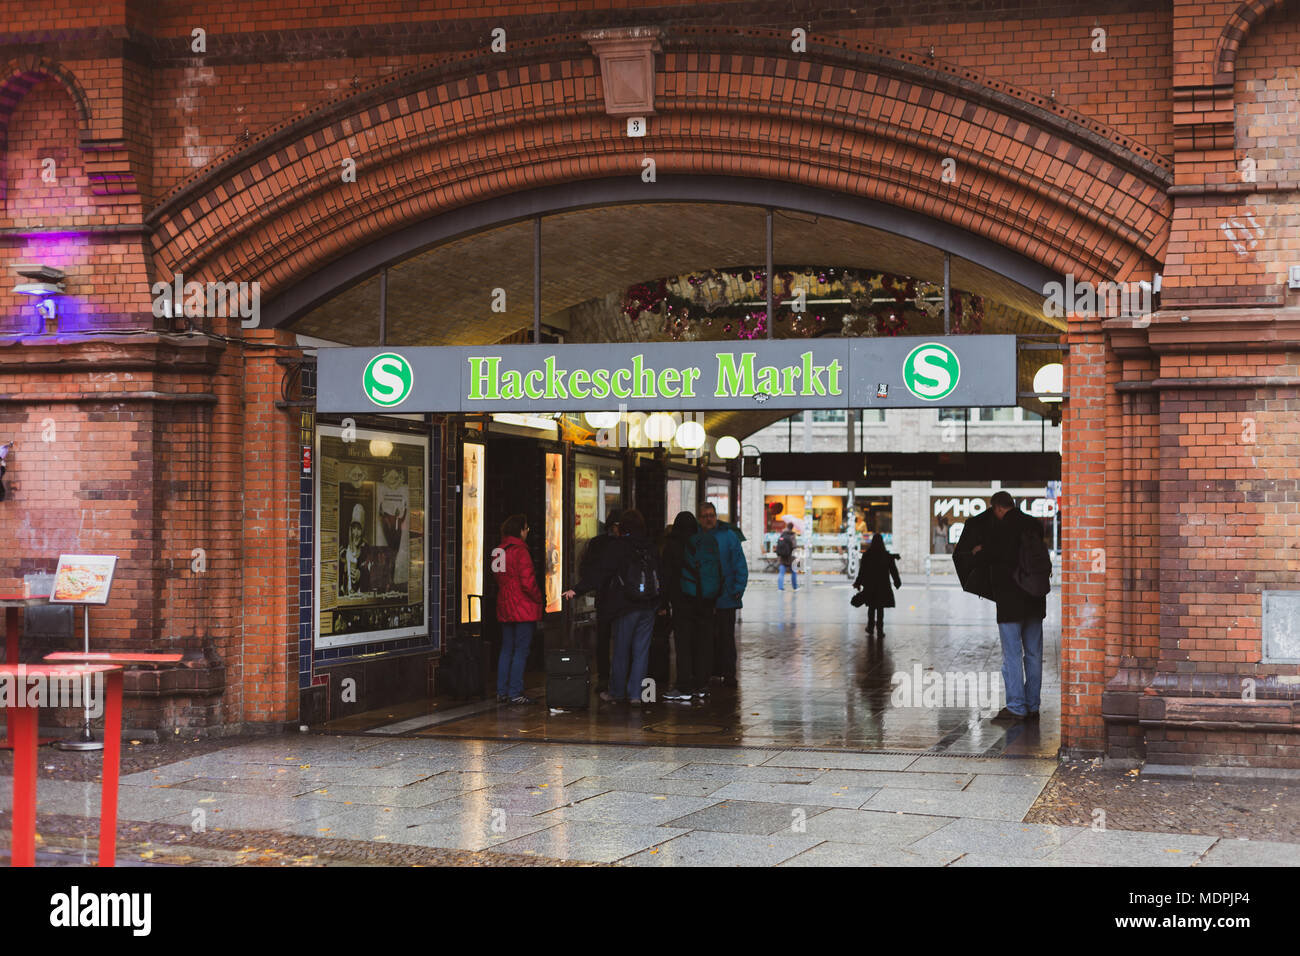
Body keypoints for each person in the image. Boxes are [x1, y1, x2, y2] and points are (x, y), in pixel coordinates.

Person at [563, 508, 660, 705]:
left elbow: (601, 572)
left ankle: (616, 692)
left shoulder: (619, 547)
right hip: (648, 605)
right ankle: (636, 695)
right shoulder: (651, 546)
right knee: (641, 651)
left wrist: (577, 590)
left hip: (625, 606)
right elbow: (662, 575)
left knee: (621, 650)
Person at [973, 491, 1049, 723]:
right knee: (1034, 654)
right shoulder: (1034, 525)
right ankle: (1033, 705)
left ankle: (1017, 706)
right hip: (1035, 598)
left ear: (997, 508)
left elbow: (989, 558)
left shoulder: (999, 529)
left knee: (1013, 655)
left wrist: (979, 552)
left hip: (1010, 601)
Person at [660, 511, 722, 701]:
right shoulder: (705, 541)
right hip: (705, 601)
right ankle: (701, 685)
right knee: (703, 643)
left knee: (684, 645)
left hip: (682, 601)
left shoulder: (672, 545)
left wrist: (664, 603)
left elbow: (666, 577)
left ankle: (683, 686)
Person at [493, 514, 543, 705]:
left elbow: (499, 578)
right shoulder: (521, 551)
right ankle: (515, 692)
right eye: (526, 529)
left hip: (504, 605)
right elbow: (528, 583)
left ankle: (502, 691)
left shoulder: (498, 551)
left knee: (506, 649)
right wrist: (539, 599)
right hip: (523, 607)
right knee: (521, 650)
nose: (527, 532)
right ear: (520, 530)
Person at [700, 502, 748, 686]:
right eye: (705, 516)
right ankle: (710, 670)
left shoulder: (728, 537)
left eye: (711, 515)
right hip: (704, 598)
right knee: (707, 637)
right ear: (700, 518)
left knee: (726, 637)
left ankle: (728, 673)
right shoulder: (697, 537)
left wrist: (736, 590)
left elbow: (739, 565)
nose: (709, 519)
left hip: (726, 597)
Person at [578, 508, 622, 695]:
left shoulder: (597, 543)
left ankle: (604, 677)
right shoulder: (624, 544)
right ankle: (616, 678)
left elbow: (586, 567)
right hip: (620, 599)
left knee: (603, 640)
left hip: (603, 597)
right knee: (620, 639)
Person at [854, 533, 901, 638]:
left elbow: (862, 571)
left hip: (870, 586)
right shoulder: (886, 556)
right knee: (880, 609)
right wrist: (897, 582)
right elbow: (893, 570)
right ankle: (880, 630)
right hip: (883, 586)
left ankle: (870, 627)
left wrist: (858, 582)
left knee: (871, 607)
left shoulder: (867, 555)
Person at [775, 521, 798, 590]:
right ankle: (795, 587)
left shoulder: (782, 534)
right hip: (791, 557)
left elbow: (778, 545)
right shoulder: (792, 535)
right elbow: (794, 546)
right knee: (794, 572)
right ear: (792, 528)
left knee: (781, 573)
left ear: (787, 527)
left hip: (782, 557)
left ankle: (780, 587)